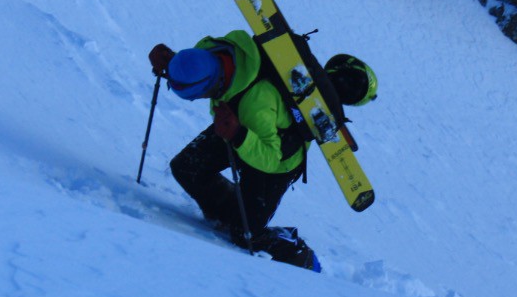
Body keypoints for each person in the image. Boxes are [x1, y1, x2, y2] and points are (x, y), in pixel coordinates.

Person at [149, 32, 376, 269]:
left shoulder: (257, 104)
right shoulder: (210, 49)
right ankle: (235, 212)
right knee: (186, 168)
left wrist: (237, 134)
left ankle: (298, 252)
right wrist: (173, 66)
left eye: (197, 95)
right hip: (235, 124)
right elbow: (195, 67)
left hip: (277, 157)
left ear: (212, 86)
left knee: (246, 236)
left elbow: (271, 157)